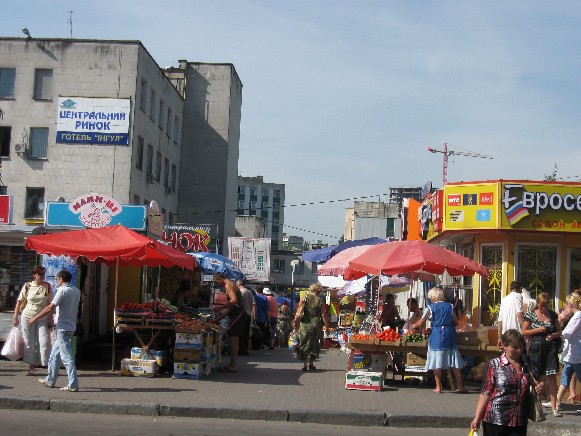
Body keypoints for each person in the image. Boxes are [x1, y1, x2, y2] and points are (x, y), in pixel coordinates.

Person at [471, 329, 544, 436]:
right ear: (505, 346)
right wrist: (477, 417)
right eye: (514, 347)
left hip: (519, 420)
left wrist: (541, 384)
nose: (519, 350)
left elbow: (542, 375)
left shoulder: (527, 362)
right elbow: (485, 392)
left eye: (520, 347)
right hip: (495, 420)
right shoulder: (494, 365)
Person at [31, 270, 81, 392]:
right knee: (54, 354)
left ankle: (73, 384)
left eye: (57, 279)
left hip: (63, 328)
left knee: (66, 357)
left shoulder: (62, 291)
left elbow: (50, 307)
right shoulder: (76, 290)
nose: (56, 281)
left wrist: (35, 318)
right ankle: (50, 379)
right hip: (70, 326)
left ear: (61, 279)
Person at [412, 286, 466, 394]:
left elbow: (421, 322)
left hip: (437, 334)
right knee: (454, 360)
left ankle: (438, 386)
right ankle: (460, 386)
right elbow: (456, 322)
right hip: (450, 333)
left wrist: (414, 325)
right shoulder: (450, 306)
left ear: (433, 296)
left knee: (437, 360)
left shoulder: (430, 308)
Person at [521, 292, 562, 416]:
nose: (544, 308)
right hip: (536, 349)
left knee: (552, 378)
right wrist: (538, 330)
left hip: (550, 349)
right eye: (541, 305)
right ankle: (537, 407)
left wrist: (553, 335)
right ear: (537, 303)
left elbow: (559, 331)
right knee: (537, 378)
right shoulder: (531, 315)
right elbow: (523, 331)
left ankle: (554, 407)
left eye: (546, 306)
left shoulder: (553, 315)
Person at [12, 265, 53, 376]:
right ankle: (31, 366)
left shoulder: (48, 287)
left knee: (44, 341)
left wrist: (50, 319)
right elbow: (19, 301)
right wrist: (15, 317)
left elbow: (50, 304)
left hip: (42, 317)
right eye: (40, 274)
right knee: (29, 342)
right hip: (27, 315)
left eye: (43, 274)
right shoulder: (28, 286)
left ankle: (46, 365)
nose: (42, 276)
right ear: (34, 275)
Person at [213, 273, 248, 372]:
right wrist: (217, 319)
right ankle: (233, 364)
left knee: (232, 339)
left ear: (220, 278)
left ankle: (233, 365)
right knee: (235, 339)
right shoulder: (231, 284)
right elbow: (230, 308)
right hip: (238, 314)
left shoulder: (228, 284)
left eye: (216, 281)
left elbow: (233, 300)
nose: (216, 284)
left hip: (238, 314)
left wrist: (220, 307)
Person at [294, 283, 330, 371]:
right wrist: (327, 327)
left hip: (304, 325)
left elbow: (299, 310)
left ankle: (305, 365)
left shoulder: (305, 297)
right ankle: (311, 364)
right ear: (319, 291)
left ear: (311, 289)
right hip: (315, 325)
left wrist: (295, 322)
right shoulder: (320, 300)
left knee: (304, 343)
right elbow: (323, 315)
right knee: (313, 344)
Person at [556, 292, 581, 410]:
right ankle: (557, 402)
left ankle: (557, 401)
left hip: (576, 353)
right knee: (565, 377)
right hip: (571, 353)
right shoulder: (576, 316)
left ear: (571, 304)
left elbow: (568, 333)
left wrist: (559, 332)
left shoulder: (578, 316)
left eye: (567, 304)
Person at [497, 281, 525, 347]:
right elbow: (519, 314)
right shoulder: (518, 296)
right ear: (520, 289)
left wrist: (499, 337)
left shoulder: (504, 299)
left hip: (505, 334)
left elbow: (499, 322)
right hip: (516, 333)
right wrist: (525, 328)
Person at [236, 279, 255, 356]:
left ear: (239, 284)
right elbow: (252, 303)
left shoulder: (241, 292)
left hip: (242, 313)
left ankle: (241, 349)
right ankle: (246, 349)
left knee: (241, 333)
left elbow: (239, 303)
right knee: (246, 333)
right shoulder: (249, 291)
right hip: (248, 313)